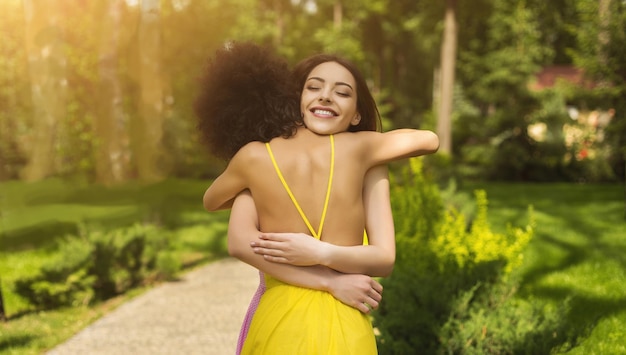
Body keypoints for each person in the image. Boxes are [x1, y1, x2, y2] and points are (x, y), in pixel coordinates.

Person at [196, 42, 439, 354]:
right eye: (315, 87)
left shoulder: (253, 158)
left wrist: (256, 186)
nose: (326, 96)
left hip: (278, 317)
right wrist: (327, 261)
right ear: (295, 98)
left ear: (355, 114)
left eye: (342, 92)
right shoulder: (364, 149)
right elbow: (429, 139)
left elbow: (212, 201)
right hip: (346, 316)